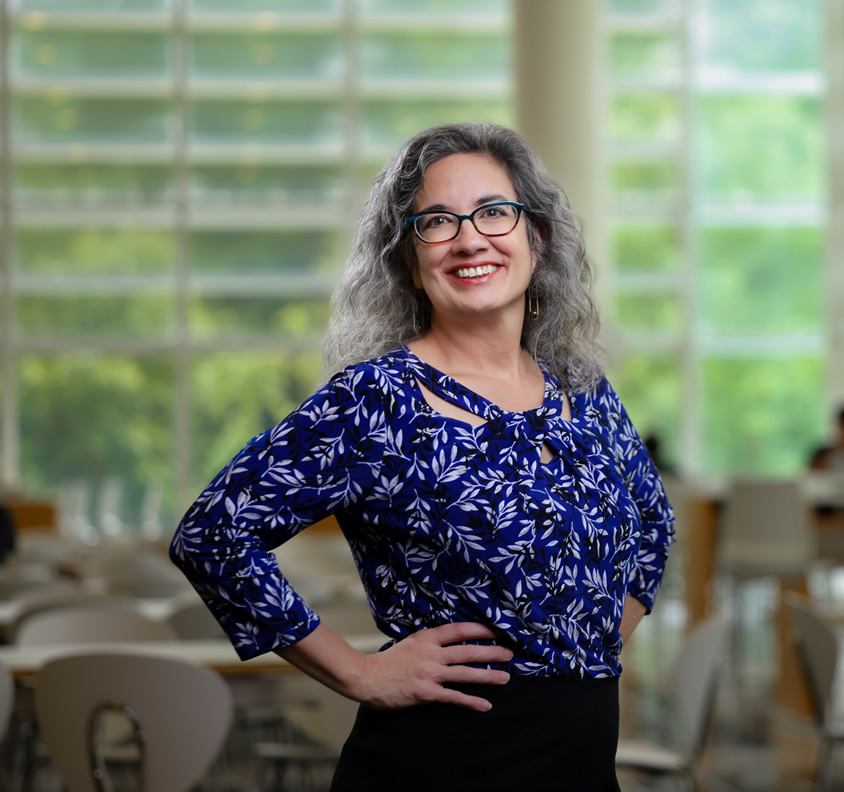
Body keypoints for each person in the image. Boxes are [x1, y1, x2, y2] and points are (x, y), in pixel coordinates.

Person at [170, 123, 675, 791]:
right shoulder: (375, 401)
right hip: (437, 766)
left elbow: (653, 526)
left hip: (580, 766)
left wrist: (593, 640)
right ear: (409, 258)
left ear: (536, 237)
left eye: (495, 212)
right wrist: (359, 672)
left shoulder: (580, 390)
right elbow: (213, 535)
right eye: (436, 222)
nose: (471, 238)